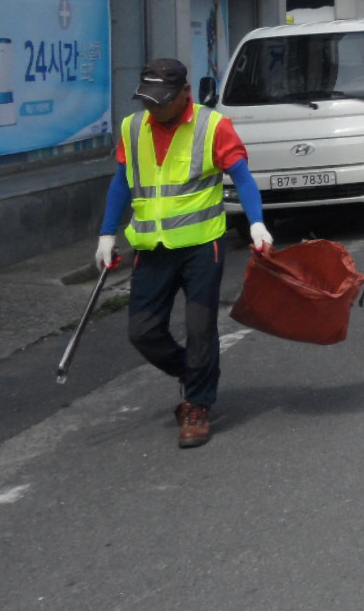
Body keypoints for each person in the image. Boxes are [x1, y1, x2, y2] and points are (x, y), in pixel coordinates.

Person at [96, 59, 274, 449]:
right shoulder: (132, 128)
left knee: (199, 329)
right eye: (147, 100)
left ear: (185, 95)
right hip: (152, 247)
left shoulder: (213, 126)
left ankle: (197, 405)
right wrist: (107, 233)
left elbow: (243, 177)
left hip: (201, 246)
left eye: (161, 101)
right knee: (142, 332)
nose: (153, 108)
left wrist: (257, 223)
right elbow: (123, 182)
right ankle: (194, 375)